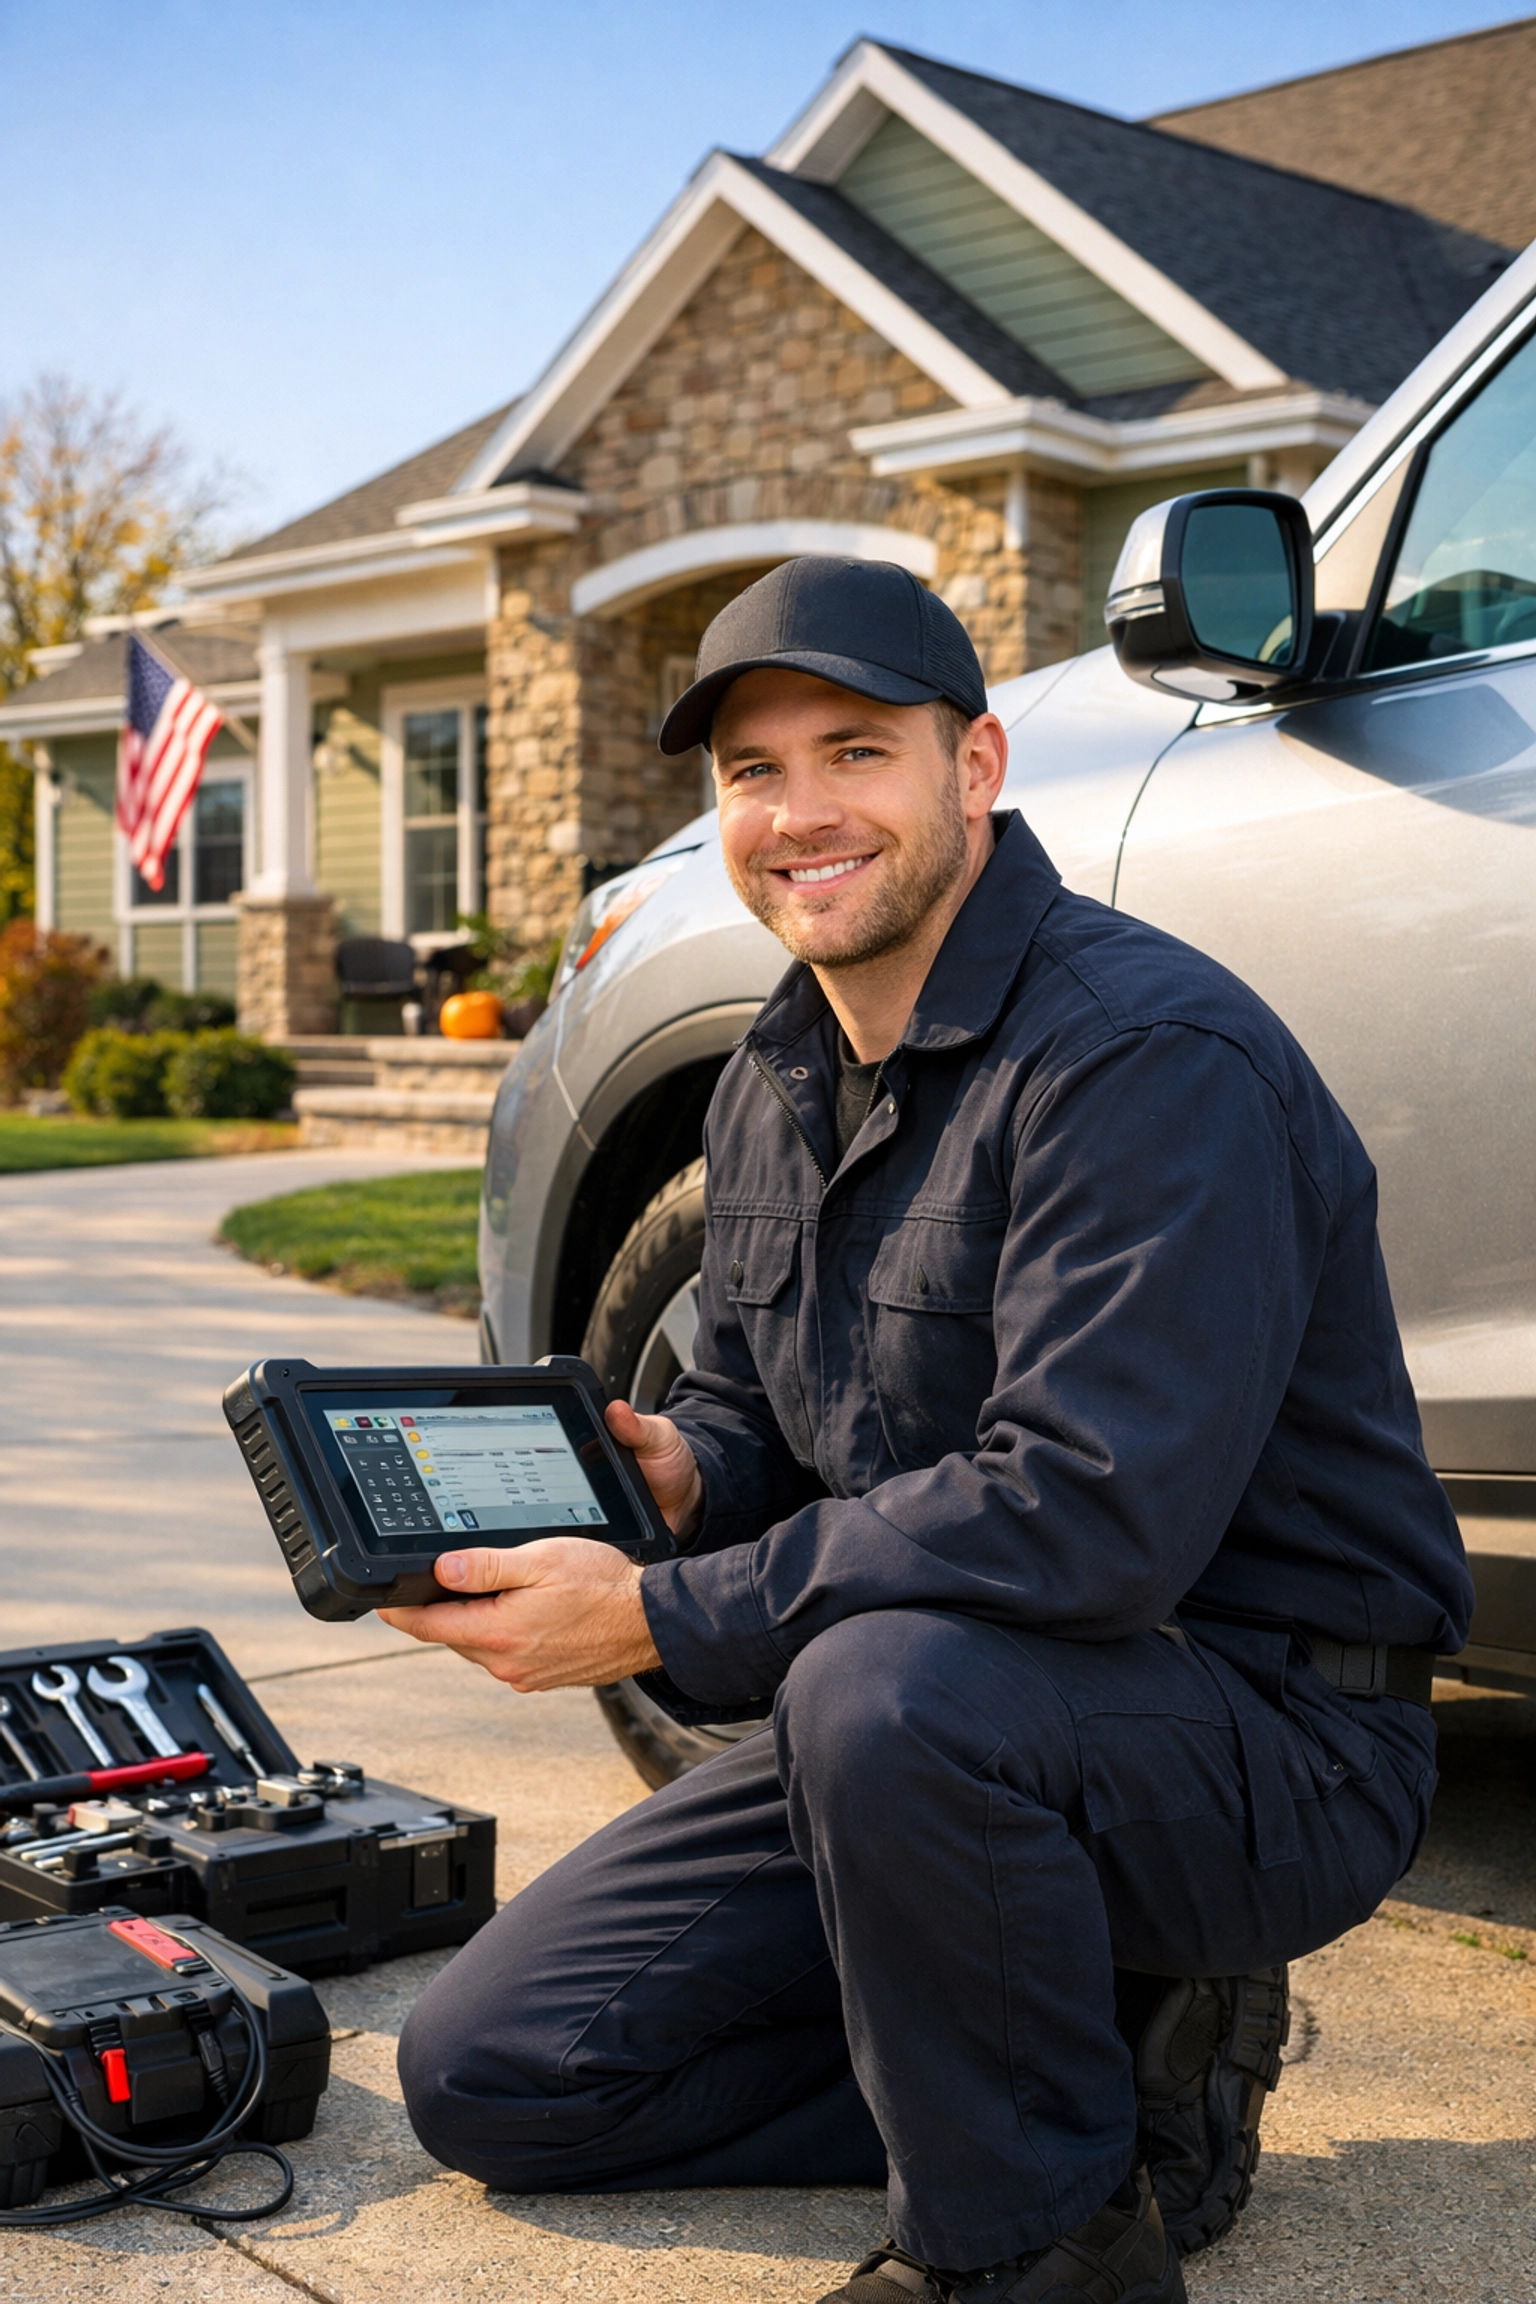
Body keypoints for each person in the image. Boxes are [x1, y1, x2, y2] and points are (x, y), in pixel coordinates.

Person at [384, 557, 1472, 2304]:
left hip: (1261, 1732)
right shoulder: (773, 1075)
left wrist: (660, 1617)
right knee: (499, 2075)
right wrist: (691, 1475)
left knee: (875, 1689)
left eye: (853, 751)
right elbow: (754, 1406)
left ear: (975, 770)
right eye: (751, 772)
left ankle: (1038, 2244)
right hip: (944, 1727)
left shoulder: (1143, 1058)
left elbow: (1087, 1515)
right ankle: (1088, 2071)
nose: (798, 813)